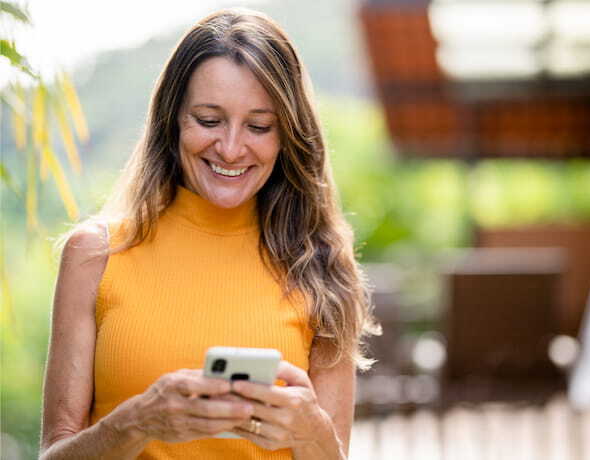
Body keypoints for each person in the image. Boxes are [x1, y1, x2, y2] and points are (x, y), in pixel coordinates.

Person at [40, 8, 378, 460]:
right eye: (209, 120)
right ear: (173, 119)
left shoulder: (322, 267)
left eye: (259, 126)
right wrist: (138, 421)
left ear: (286, 136)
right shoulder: (96, 254)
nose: (232, 148)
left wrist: (309, 431)